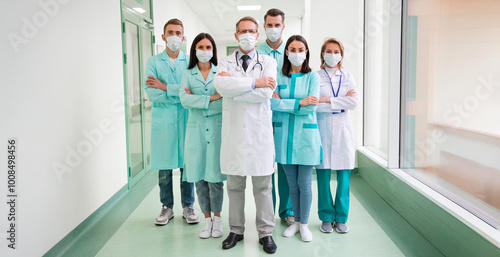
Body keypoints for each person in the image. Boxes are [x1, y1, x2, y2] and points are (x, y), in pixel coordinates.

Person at [214, 16, 278, 254]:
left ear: (257, 35)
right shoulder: (224, 62)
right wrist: (255, 83)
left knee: (263, 187)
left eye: (252, 31)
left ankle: (266, 233)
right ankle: (236, 230)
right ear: (236, 35)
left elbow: (266, 94)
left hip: (258, 134)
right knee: (235, 186)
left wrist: (237, 88)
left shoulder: (269, 61)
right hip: (234, 135)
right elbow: (221, 88)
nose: (248, 35)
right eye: (243, 31)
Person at [144, 18, 199, 226]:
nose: (174, 36)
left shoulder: (190, 61)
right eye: (170, 32)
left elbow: (192, 91)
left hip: (187, 119)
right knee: (164, 168)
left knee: (187, 165)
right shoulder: (153, 62)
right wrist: (178, 92)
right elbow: (151, 94)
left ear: (183, 37)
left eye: (178, 32)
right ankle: (167, 207)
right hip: (164, 122)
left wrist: (164, 86)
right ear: (163, 36)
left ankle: (188, 206)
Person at [271, 35, 321, 242]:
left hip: (306, 137)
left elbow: (313, 105)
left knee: (305, 183)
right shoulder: (278, 77)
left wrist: (287, 104)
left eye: (301, 49)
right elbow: (273, 105)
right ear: (286, 52)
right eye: (292, 49)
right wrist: (299, 103)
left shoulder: (313, 77)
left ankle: (304, 224)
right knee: (291, 184)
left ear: (306, 52)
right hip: (284, 137)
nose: (297, 53)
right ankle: (296, 223)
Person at [179, 32, 226, 239]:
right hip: (195, 131)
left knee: (215, 180)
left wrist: (199, 101)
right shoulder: (187, 73)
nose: (204, 51)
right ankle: (206, 220)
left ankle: (218, 219)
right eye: (201, 47)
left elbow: (225, 101)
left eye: (208, 47)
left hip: (216, 130)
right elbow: (183, 100)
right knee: (199, 179)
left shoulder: (221, 73)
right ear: (194, 50)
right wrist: (212, 98)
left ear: (213, 50)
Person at [256, 8, 294, 227]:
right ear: (264, 27)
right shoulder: (257, 52)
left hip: (284, 115)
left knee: (285, 166)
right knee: (265, 167)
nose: (273, 29)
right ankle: (267, 212)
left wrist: (279, 97)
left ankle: (286, 211)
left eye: (276, 25)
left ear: (283, 26)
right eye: (269, 25)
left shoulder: (291, 51)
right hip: (261, 116)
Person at [315, 38, 358, 234]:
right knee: (323, 176)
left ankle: (341, 218)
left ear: (341, 55)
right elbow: (315, 104)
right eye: (329, 51)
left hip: (343, 132)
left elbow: (353, 102)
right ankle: (326, 216)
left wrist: (327, 100)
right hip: (323, 130)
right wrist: (340, 101)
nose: (332, 55)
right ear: (322, 54)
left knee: (344, 177)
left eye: (336, 51)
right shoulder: (315, 76)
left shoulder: (348, 76)